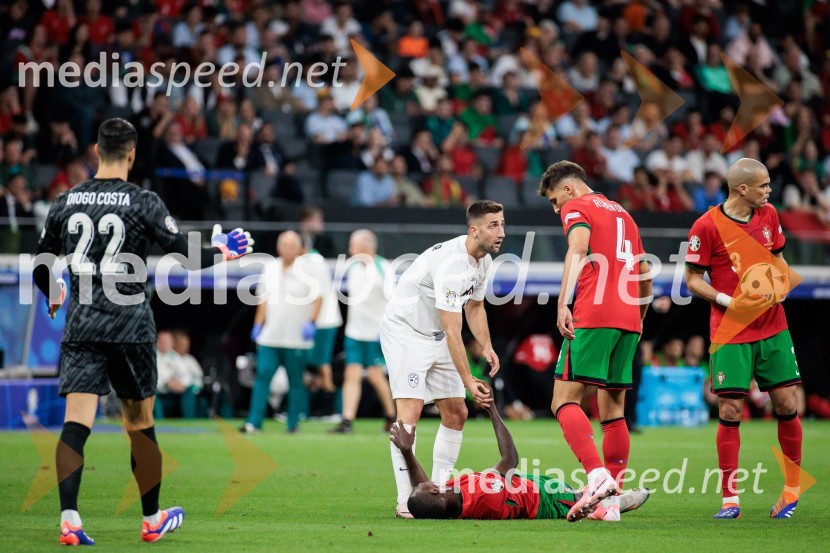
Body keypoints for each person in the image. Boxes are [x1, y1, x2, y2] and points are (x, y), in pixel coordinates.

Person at [33, 118, 254, 545]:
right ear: (131, 154)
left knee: (76, 422)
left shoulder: (66, 201)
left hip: (82, 323)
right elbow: (183, 255)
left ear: (96, 152)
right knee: (140, 423)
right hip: (130, 324)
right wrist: (222, 251)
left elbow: (42, 258)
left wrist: (54, 291)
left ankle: (70, 519)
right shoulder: (142, 201)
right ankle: (151, 518)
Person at [684, 158, 803, 520]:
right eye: (764, 185)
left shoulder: (769, 217)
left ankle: (791, 492)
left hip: (773, 326)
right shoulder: (706, 226)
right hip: (730, 330)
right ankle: (730, 500)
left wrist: (780, 285)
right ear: (742, 189)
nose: (770, 191)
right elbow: (692, 279)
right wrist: (726, 300)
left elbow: (779, 261)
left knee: (785, 404)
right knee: (730, 409)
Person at [538, 161, 652, 522]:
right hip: (629, 317)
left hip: (594, 312)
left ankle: (597, 476)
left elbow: (579, 249)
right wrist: (639, 318)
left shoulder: (577, 207)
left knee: (563, 399)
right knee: (613, 409)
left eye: (556, 200)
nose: (557, 209)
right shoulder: (624, 215)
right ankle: (610, 504)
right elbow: (645, 273)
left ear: (569, 189)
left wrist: (562, 302)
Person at [381, 200, 504, 518]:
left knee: (457, 412)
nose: (501, 231)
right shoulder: (451, 265)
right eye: (494, 225)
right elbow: (453, 330)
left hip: (435, 335)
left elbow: (475, 307)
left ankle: (434, 489)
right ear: (473, 230)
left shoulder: (483, 262)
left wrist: (487, 346)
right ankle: (405, 498)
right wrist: (468, 380)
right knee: (409, 414)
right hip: (406, 332)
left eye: (502, 224)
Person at [389, 403, 650, 521]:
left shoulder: (450, 498)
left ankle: (603, 500)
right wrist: (492, 410)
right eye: (430, 486)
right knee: (588, 502)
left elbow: (423, 490)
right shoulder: (483, 496)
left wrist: (407, 452)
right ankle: (611, 505)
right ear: (436, 492)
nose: (430, 483)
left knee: (588, 495)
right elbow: (510, 459)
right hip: (547, 499)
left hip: (533, 485)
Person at [243, 231, 328, 434]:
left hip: (296, 339)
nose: (288, 249)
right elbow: (262, 299)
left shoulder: (308, 269)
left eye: (293, 245)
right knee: (262, 378)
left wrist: (312, 323)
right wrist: (258, 325)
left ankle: (293, 423)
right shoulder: (270, 267)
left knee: (296, 382)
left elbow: (318, 298)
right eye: (285, 245)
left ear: (299, 248)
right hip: (270, 337)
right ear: (279, 247)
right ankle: (253, 422)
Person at [330, 230, 396, 433]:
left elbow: (393, 301)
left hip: (375, 333)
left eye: (353, 245)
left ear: (366, 246)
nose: (350, 249)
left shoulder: (383, 268)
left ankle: (391, 416)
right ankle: (347, 420)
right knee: (352, 374)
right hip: (354, 332)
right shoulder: (353, 268)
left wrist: (386, 328)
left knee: (376, 375)